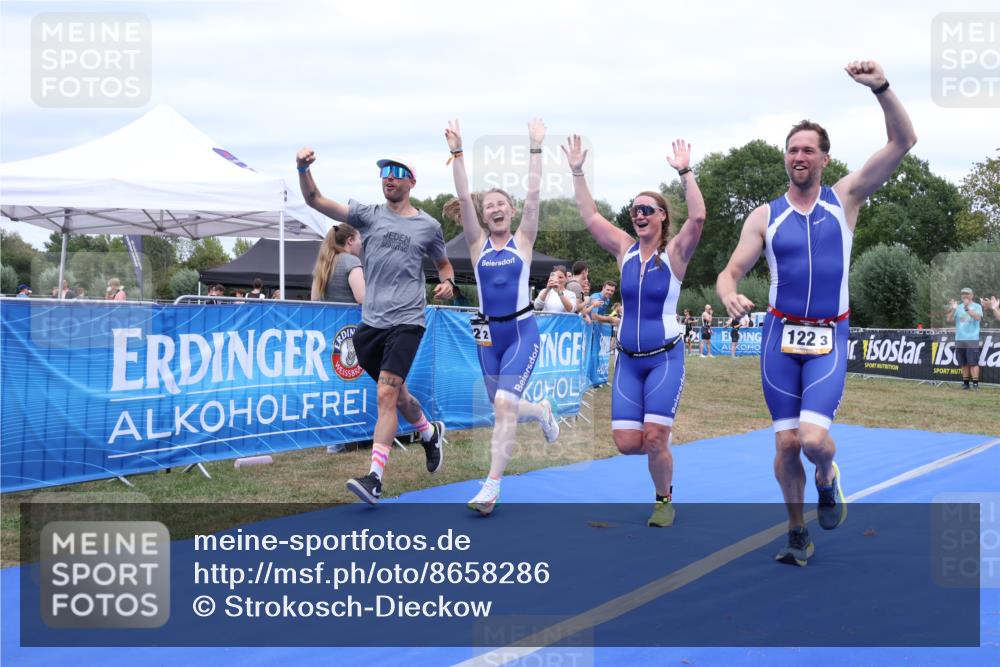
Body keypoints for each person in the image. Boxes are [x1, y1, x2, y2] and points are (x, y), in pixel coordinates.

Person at [716, 60, 917, 566]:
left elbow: (903, 142)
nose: (798, 156)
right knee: (786, 445)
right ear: (785, 159)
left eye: (808, 149)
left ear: (825, 159)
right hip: (780, 337)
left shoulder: (844, 199)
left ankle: (828, 478)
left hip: (829, 335)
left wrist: (883, 89)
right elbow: (729, 272)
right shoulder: (765, 216)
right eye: (792, 149)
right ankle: (797, 531)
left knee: (813, 442)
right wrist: (728, 293)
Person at [297, 145, 455, 505]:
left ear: (411, 182)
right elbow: (316, 200)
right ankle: (429, 433)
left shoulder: (428, 226)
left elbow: (444, 264)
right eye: (385, 172)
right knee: (398, 395)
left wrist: (448, 282)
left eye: (397, 173)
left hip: (408, 321)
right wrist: (302, 170)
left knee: (385, 394)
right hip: (371, 325)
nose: (389, 177)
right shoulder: (367, 216)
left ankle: (375, 479)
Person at [564, 134, 706, 527]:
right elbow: (591, 216)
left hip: (664, 359)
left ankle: (664, 499)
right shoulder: (624, 249)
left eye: (646, 209)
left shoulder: (674, 254)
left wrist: (685, 171)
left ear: (662, 216)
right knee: (628, 444)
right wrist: (577, 171)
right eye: (634, 210)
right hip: (627, 362)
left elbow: (697, 218)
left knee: (655, 438)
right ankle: (659, 442)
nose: (638, 215)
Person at [445, 118, 560, 515]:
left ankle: (491, 487)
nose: (495, 209)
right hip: (486, 337)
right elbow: (462, 198)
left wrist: (535, 147)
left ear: (510, 211)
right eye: (488, 205)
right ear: (483, 213)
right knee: (502, 405)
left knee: (504, 405)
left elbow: (534, 195)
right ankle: (542, 411)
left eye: (500, 204)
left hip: (521, 330)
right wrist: (458, 153)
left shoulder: (523, 241)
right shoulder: (477, 244)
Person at [311, 223, 365, 305]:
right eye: (359, 239)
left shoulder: (323, 263)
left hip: (326, 316)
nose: (361, 243)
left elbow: (314, 300)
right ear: (350, 241)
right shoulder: (352, 261)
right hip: (348, 316)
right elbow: (362, 298)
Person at [948, 288, 983, 390]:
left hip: (972, 338)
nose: (965, 296)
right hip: (960, 338)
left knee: (973, 362)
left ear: (972, 295)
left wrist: (967, 308)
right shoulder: (958, 307)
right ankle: (966, 383)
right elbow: (949, 319)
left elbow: (978, 318)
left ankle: (975, 384)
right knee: (963, 363)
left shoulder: (977, 306)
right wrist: (953, 309)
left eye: (967, 294)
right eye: (963, 294)